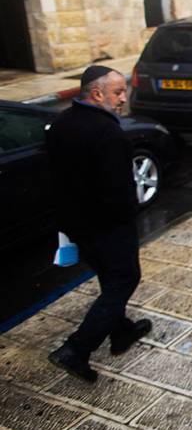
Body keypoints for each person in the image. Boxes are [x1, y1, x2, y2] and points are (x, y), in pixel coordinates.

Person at [45, 65, 151, 382]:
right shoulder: (109, 134)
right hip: (108, 226)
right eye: (118, 92)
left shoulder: (62, 122)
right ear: (97, 93)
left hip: (76, 223)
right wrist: (129, 218)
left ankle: (121, 331)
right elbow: (117, 192)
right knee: (124, 278)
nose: (123, 99)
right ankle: (76, 349)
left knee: (109, 276)